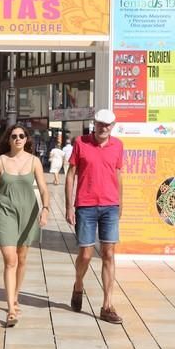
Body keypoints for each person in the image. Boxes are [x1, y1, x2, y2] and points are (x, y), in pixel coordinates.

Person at [0, 124, 49, 328]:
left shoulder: (34, 161)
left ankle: (15, 296)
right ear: (8, 140)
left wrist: (45, 209)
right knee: (10, 260)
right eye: (14, 136)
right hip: (5, 212)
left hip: (28, 214)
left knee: (22, 258)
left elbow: (44, 188)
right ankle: (10, 310)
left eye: (21, 136)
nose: (17, 139)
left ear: (26, 139)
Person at [65, 109, 124, 324]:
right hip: (86, 206)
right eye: (100, 124)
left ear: (113, 126)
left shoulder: (118, 145)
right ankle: (78, 284)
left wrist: (120, 202)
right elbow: (71, 174)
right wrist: (69, 206)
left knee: (109, 254)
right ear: (94, 124)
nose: (104, 128)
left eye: (108, 125)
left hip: (110, 205)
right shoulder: (81, 143)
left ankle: (107, 305)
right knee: (87, 255)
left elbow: (118, 174)